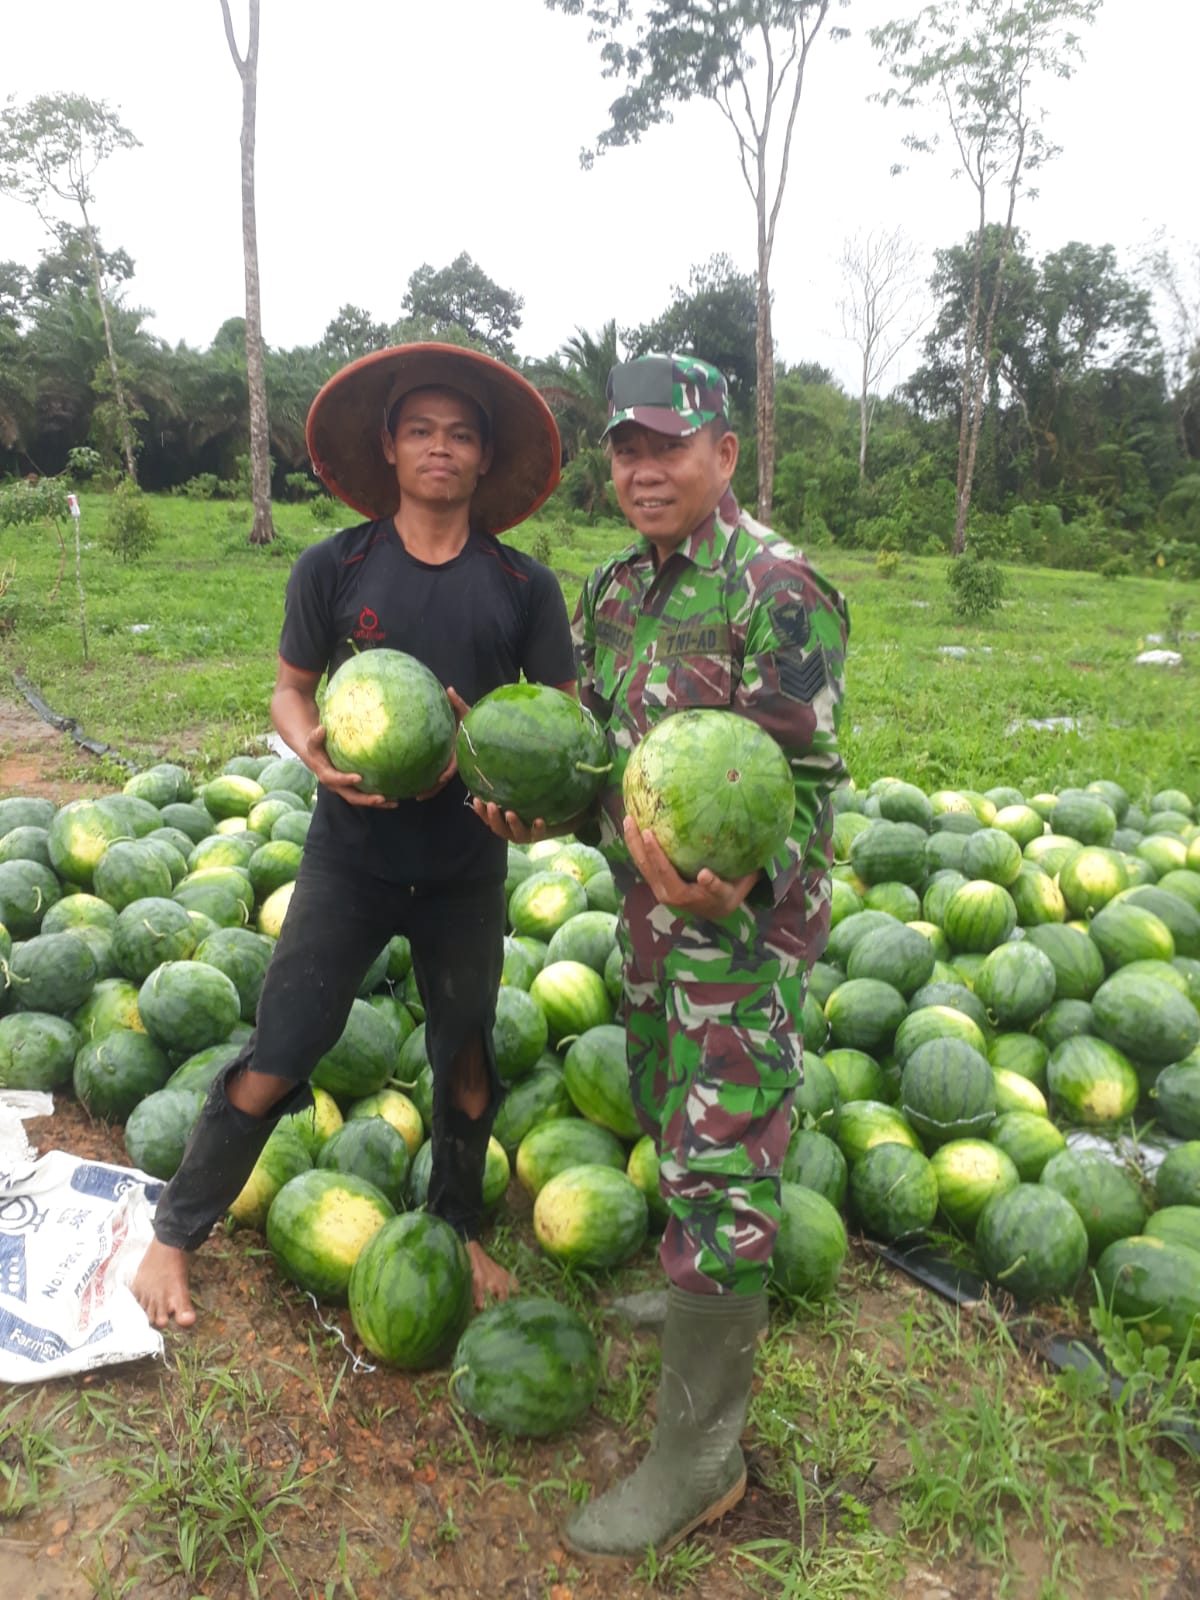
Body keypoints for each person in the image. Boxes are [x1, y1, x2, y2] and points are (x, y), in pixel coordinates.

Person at [476, 352, 848, 1559]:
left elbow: (800, 788)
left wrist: (741, 882)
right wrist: (535, 804)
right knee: (661, 1109)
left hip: (738, 935)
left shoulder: (779, 588)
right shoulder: (616, 591)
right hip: (645, 920)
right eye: (626, 450)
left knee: (723, 1159)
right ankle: (689, 1297)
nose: (643, 469)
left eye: (667, 446)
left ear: (723, 453)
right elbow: (600, 753)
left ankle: (704, 1455)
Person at [133, 342, 573, 1329]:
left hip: (464, 864)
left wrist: (497, 761)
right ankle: (175, 1232)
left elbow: (558, 725)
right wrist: (310, 751)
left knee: (466, 1061)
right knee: (282, 1046)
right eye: (421, 430)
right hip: (351, 859)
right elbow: (292, 691)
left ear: (484, 456)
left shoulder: (524, 587)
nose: (440, 449)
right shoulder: (335, 566)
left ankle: (458, 1226)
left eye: (461, 434)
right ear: (389, 446)